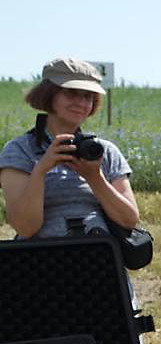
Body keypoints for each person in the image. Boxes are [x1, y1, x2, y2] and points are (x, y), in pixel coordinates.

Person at [0, 58, 139, 240]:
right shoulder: (19, 151)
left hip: (100, 260)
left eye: (88, 96)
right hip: (39, 262)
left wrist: (94, 177)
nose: (81, 102)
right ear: (48, 94)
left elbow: (129, 220)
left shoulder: (103, 152)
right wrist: (40, 170)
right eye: (71, 93)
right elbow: (26, 228)